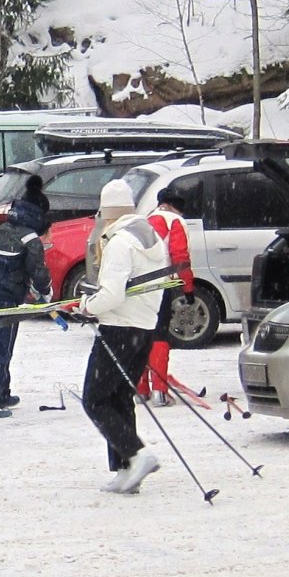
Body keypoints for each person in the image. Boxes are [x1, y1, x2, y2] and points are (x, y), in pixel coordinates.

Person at [77, 179, 171, 493]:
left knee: (95, 399)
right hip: (143, 329)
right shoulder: (150, 235)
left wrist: (87, 306)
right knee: (118, 398)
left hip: (118, 329)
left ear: (107, 212)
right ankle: (125, 469)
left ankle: (137, 454)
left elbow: (112, 295)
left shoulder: (119, 242)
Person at [0, 198, 52, 418]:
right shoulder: (30, 239)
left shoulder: (1, 230)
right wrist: (45, 291)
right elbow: (39, 272)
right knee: (1, 351)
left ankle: (2, 393)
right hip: (5, 300)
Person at [135, 185, 195, 405]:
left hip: (137, 287)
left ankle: (141, 389)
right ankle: (160, 390)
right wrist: (188, 289)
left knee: (141, 336)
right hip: (160, 286)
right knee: (159, 337)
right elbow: (180, 257)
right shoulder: (175, 221)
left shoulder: (144, 221)